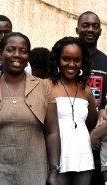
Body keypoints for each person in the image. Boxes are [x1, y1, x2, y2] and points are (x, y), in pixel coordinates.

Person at [0, 32, 61, 185]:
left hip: (32, 171)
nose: (17, 55)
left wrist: (54, 170)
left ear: (28, 57)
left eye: (23, 51)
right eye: (11, 49)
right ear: (0, 54)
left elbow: (52, 132)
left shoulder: (43, 88)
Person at [46, 36, 97, 185]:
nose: (71, 64)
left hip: (83, 158)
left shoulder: (85, 90)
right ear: (57, 59)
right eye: (66, 59)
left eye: (77, 60)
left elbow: (91, 123)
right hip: (56, 159)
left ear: (83, 62)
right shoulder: (46, 85)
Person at [76, 11, 107, 185]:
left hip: (99, 141)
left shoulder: (105, 62)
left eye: (95, 26)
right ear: (77, 29)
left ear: (100, 31)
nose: (90, 29)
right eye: (85, 25)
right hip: (71, 138)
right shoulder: (68, 59)